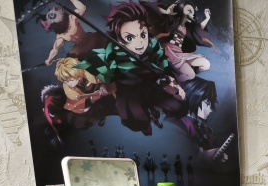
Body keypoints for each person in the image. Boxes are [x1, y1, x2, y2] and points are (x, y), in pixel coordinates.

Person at [75, 1, 186, 136]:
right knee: (136, 121)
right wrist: (160, 77)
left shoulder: (152, 44)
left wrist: (173, 83)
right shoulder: (114, 52)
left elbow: (164, 64)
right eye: (129, 38)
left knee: (179, 107)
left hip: (153, 86)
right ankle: (146, 119)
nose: (139, 44)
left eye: (143, 35)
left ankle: (156, 109)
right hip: (130, 91)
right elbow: (131, 69)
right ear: (119, 39)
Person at [155, 1, 218, 81]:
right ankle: (173, 81)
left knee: (206, 64)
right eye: (189, 11)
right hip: (170, 51)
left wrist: (207, 18)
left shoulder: (187, 28)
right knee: (191, 75)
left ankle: (187, 72)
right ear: (181, 9)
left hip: (180, 53)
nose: (191, 14)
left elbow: (198, 29)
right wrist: (166, 12)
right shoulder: (173, 21)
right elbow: (157, 11)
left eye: (192, 13)